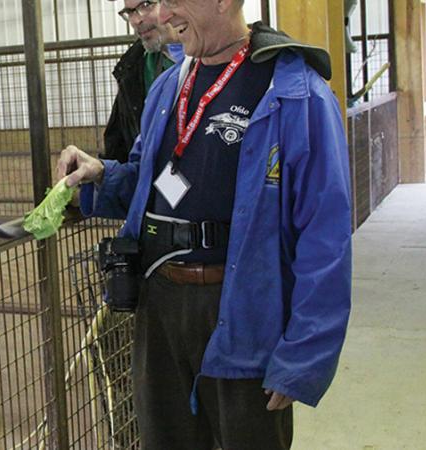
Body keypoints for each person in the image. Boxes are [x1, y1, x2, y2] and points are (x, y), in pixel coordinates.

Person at [58, 0, 352, 448]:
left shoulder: (296, 91)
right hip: (160, 307)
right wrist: (101, 173)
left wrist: (304, 357)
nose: (164, 13)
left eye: (175, 0)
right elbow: (149, 182)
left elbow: (325, 237)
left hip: (242, 312)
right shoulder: (168, 88)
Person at [104, 0, 184, 163]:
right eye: (130, 12)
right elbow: (120, 148)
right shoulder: (132, 70)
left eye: (146, 5)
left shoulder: (215, 58)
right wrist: (102, 172)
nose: (135, 21)